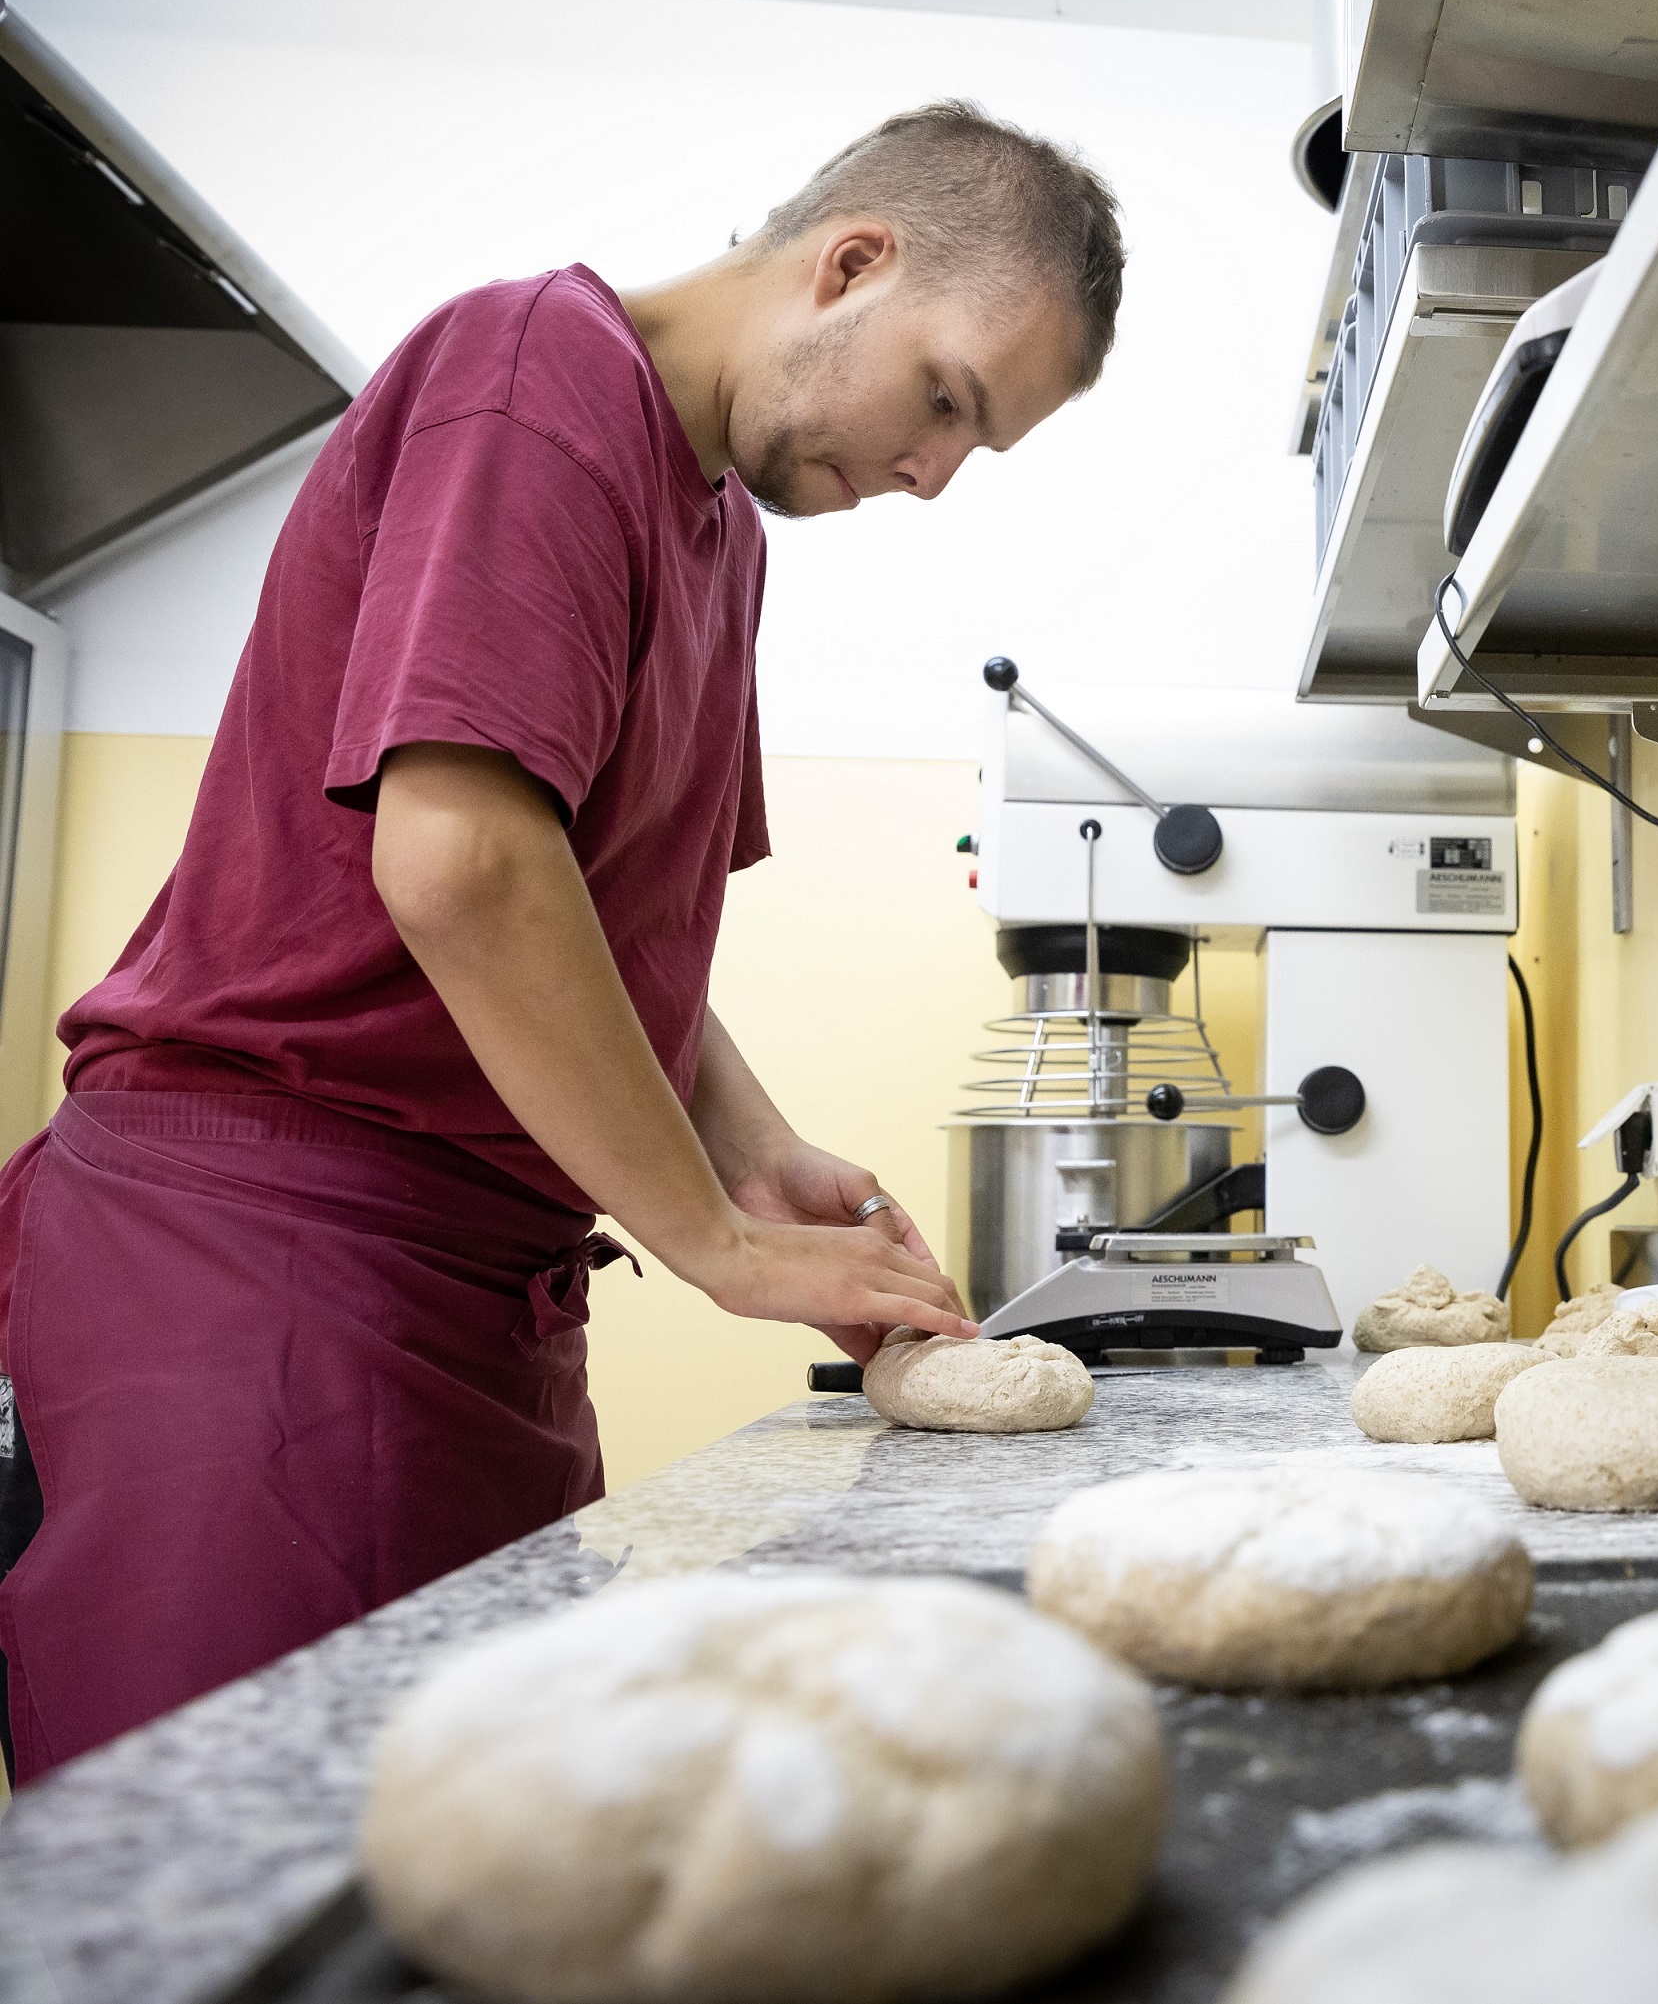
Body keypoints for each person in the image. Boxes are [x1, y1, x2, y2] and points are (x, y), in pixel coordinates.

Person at [0, 101, 1124, 1783]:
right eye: (945, 398)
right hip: (267, 1270)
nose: (932, 474)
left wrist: (755, 1156)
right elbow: (460, 870)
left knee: (470, 1857)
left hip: (483, 1304)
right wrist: (720, 1249)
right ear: (852, 264)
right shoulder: (535, 376)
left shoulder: (723, 532)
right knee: (240, 1875)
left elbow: (606, 922)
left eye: (978, 446)